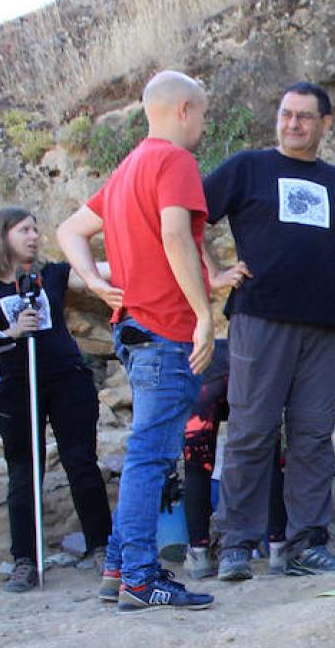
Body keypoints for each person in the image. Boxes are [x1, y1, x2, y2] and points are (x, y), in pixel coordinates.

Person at [57, 70, 241, 612]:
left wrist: (93, 280)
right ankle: (140, 575)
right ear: (183, 109)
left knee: (146, 451)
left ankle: (118, 566)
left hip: (133, 330)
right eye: (203, 114)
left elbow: (70, 230)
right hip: (163, 330)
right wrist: (204, 315)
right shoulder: (173, 161)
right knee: (151, 456)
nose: (204, 126)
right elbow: (175, 234)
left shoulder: (127, 169)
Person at [203, 81, 335, 579]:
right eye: (286, 114)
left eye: (304, 117)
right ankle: (235, 544)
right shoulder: (247, 167)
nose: (293, 124)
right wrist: (213, 272)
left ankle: (305, 545)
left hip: (324, 325)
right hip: (259, 317)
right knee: (251, 430)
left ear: (325, 124)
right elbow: (188, 217)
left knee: (313, 436)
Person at [0, 206, 113, 592]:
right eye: (24, 230)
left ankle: (103, 546)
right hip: (16, 384)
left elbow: (96, 275)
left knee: (80, 461)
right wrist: (11, 332)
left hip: (66, 377)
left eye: (35, 229)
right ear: (2, 235)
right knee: (23, 470)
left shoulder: (50, 275)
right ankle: (25, 559)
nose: (34, 236)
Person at [179, 340, 287, 578]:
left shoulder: (182, 352)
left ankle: (199, 555)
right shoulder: (246, 344)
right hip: (251, 380)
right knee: (269, 462)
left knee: (198, 468)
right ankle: (279, 550)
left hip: (204, 385)